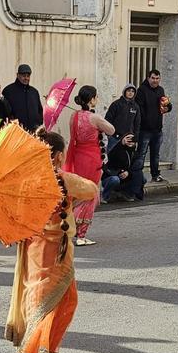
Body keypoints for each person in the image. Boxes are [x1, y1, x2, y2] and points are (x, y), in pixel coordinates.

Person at [5, 129, 98, 353]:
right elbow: (91, 189)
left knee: (39, 293)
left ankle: (44, 349)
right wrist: (71, 199)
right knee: (57, 297)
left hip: (33, 245)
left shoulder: (25, 181)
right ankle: (34, 350)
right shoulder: (62, 179)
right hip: (56, 247)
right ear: (57, 156)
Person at [62, 85, 115, 246]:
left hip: (78, 157)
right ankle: (81, 234)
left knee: (78, 192)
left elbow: (73, 136)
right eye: (96, 97)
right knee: (90, 193)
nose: (97, 99)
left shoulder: (74, 116)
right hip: (92, 158)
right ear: (91, 100)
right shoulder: (95, 118)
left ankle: (71, 228)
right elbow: (112, 130)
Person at [135, 69, 171, 182]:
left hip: (157, 129)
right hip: (145, 130)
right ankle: (137, 176)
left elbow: (166, 104)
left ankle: (155, 175)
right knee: (141, 154)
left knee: (155, 155)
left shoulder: (160, 90)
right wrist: (146, 122)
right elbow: (139, 109)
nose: (155, 80)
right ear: (148, 78)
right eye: (153, 78)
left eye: (157, 78)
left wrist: (168, 107)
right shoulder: (141, 90)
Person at [2, 64, 44, 132]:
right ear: (17, 75)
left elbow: (39, 110)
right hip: (16, 132)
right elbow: (4, 111)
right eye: (24, 76)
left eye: (28, 76)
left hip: (33, 132)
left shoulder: (34, 92)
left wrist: (38, 123)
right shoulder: (8, 91)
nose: (26, 78)